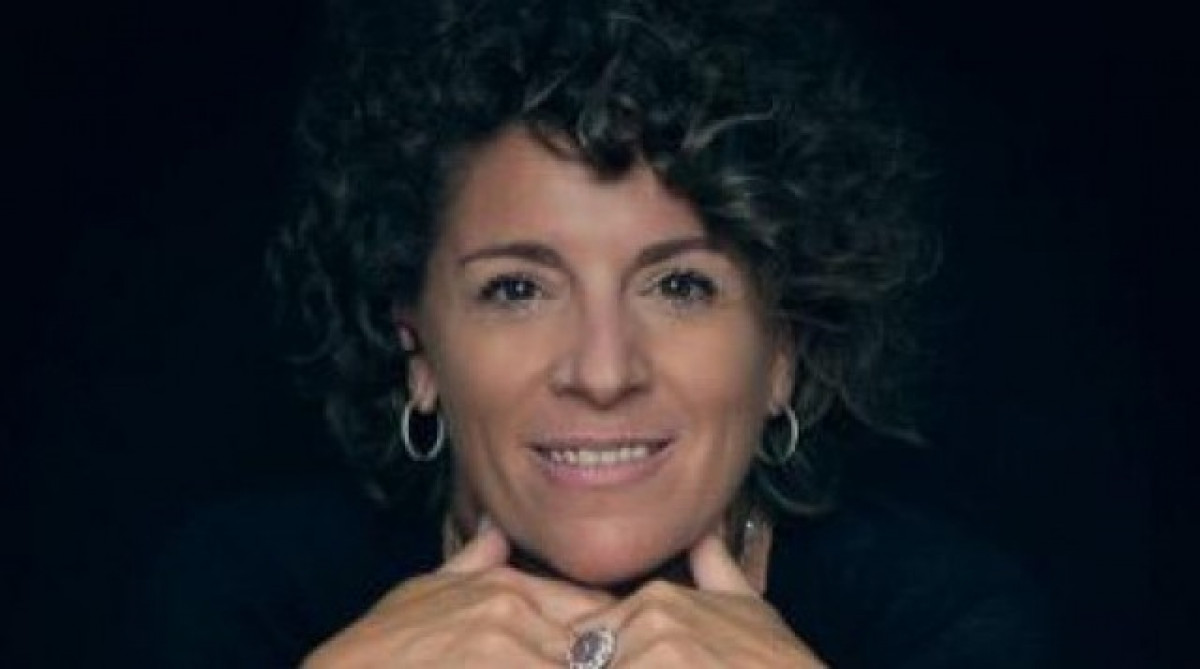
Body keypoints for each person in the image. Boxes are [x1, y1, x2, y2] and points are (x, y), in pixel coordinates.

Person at [135, 0, 1049, 666]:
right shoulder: (248, 597)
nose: (603, 371)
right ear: (416, 345)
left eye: (681, 285)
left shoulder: (938, 619)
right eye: (517, 288)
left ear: (783, 348)